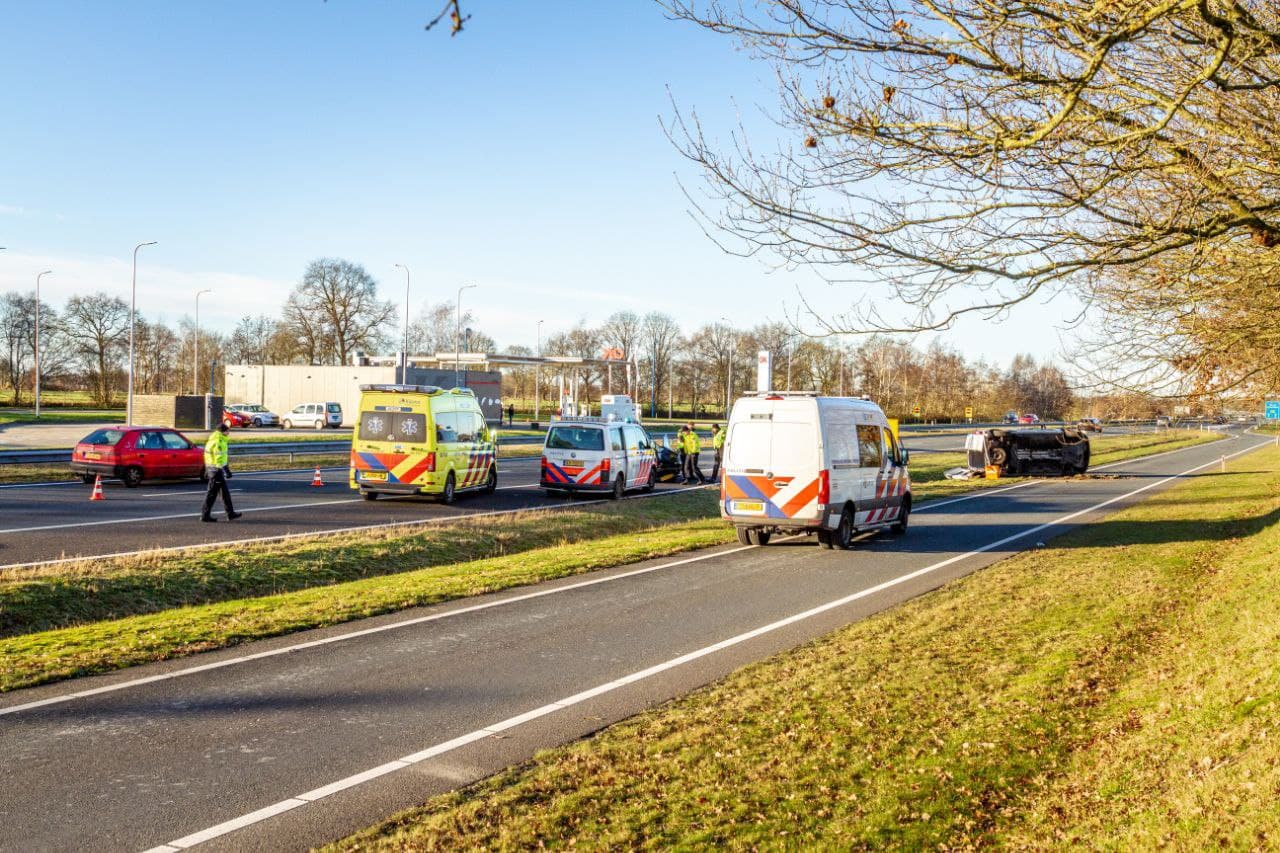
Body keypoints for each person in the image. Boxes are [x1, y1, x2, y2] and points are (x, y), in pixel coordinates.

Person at [201, 422, 242, 523]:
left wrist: (208, 469)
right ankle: (205, 515)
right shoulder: (220, 442)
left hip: (211, 469)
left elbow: (208, 456)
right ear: (223, 431)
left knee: (225, 493)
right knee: (211, 494)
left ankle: (230, 513)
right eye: (228, 431)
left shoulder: (212, 440)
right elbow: (219, 459)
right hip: (216, 471)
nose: (229, 432)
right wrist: (226, 470)